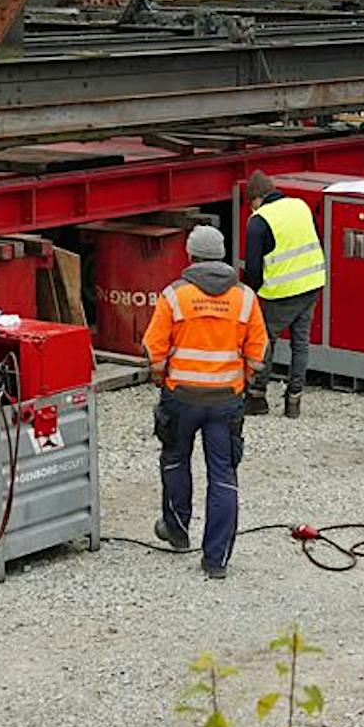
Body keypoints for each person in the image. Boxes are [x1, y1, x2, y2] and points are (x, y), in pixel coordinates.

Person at [142, 222, 270, 578]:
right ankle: (216, 561)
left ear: (191, 255)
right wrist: (240, 382)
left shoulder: (174, 295)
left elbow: (154, 348)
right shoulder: (245, 297)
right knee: (223, 476)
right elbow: (258, 353)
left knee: (174, 461)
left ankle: (177, 531)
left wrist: (160, 377)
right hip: (226, 401)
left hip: (181, 398)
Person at [242, 172, 327, 416]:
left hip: (280, 292)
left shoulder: (259, 221)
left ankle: (257, 397)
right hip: (312, 283)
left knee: (265, 341)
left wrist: (255, 291)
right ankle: (294, 401)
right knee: (301, 343)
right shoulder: (300, 206)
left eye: (251, 203)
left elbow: (253, 267)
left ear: (257, 198)